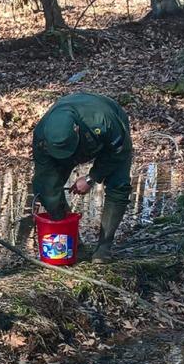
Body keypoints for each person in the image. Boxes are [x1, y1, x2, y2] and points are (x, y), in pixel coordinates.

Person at [32, 93, 132, 263]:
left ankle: (104, 248)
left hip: (107, 139)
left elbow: (118, 152)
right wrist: (49, 199)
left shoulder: (104, 121)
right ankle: (72, 242)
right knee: (48, 187)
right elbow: (45, 179)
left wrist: (91, 178)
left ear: (76, 130)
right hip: (69, 142)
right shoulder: (42, 136)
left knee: (119, 185)